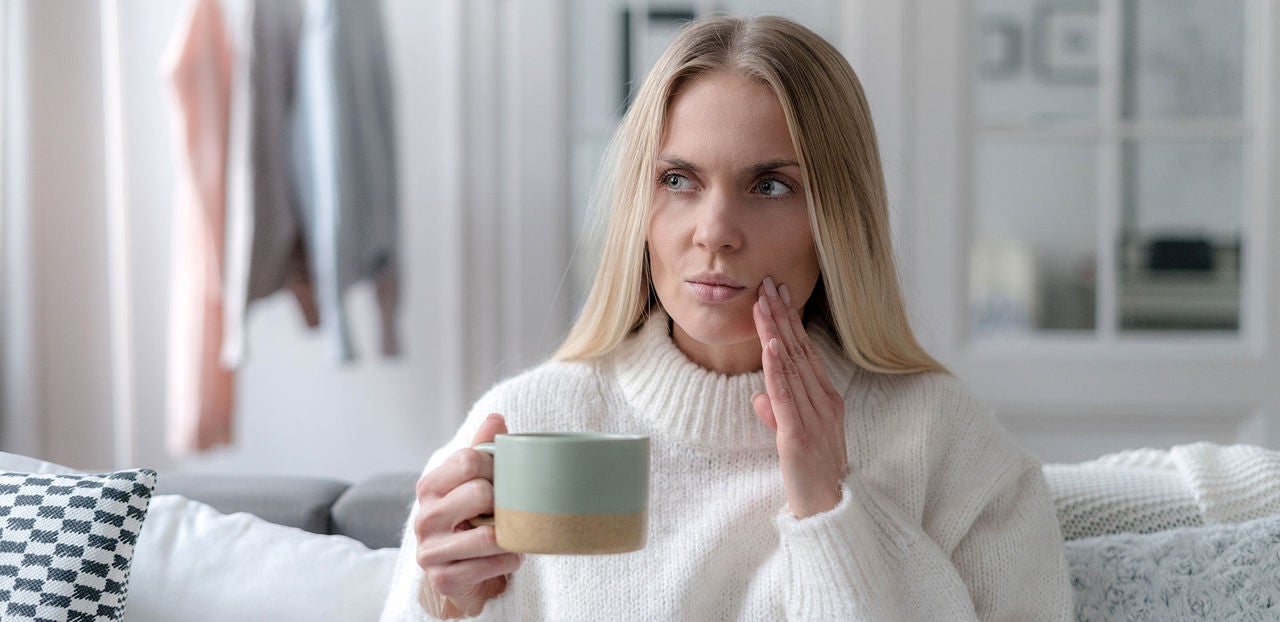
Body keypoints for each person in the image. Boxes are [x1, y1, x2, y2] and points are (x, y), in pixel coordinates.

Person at [381, 14, 1073, 621]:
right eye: (678, 181)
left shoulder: (946, 445)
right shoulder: (524, 426)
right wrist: (445, 606)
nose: (714, 232)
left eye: (770, 186)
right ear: (640, 210)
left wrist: (833, 506)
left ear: (837, 219)